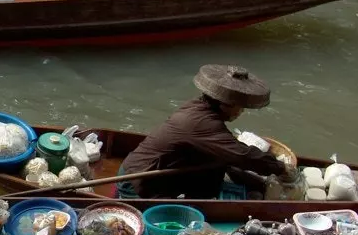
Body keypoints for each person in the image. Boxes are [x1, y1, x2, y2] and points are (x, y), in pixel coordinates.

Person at [116, 64, 292, 199]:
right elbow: (241, 155)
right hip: (137, 181)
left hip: (149, 171)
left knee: (216, 167)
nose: (241, 112)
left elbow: (227, 154)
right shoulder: (202, 124)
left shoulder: (197, 107)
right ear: (225, 104)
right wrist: (280, 168)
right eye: (240, 108)